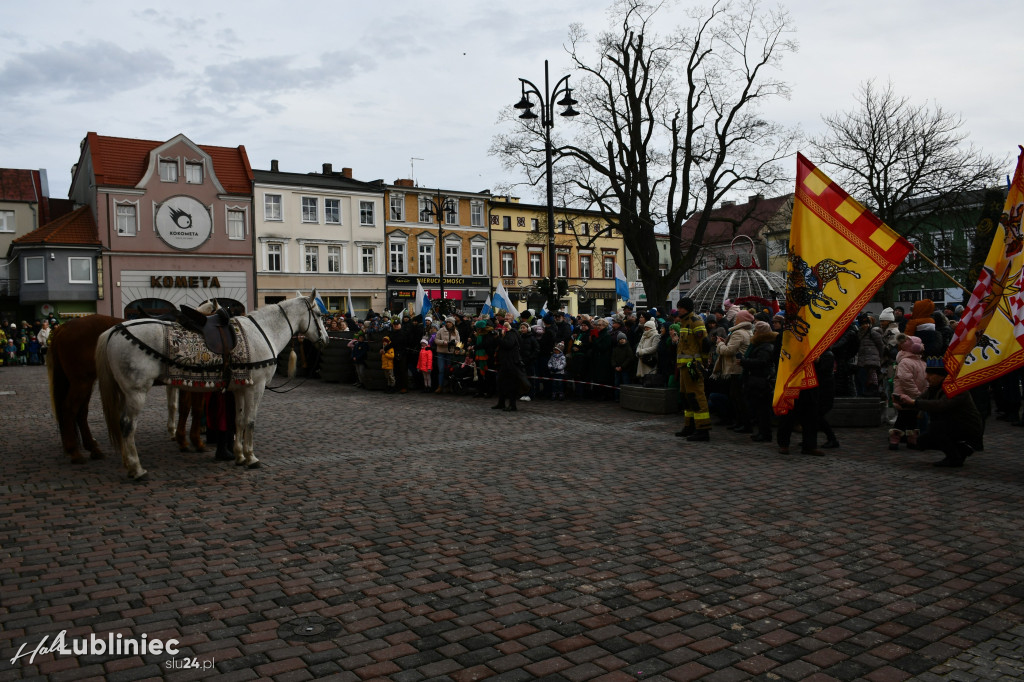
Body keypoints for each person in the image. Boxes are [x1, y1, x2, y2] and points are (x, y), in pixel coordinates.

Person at [893, 359, 984, 467]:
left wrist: (913, 402)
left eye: (931, 374)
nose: (927, 377)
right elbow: (920, 401)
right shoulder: (934, 387)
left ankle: (955, 457)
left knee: (936, 430)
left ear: (941, 376)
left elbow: (940, 405)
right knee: (922, 441)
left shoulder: (956, 387)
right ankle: (961, 450)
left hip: (967, 426)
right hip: (950, 424)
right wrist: (904, 403)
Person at [675, 297, 711, 441]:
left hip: (692, 365)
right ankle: (689, 426)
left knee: (696, 396)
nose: (679, 310)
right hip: (684, 366)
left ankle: (703, 429)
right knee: (686, 396)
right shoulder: (684, 322)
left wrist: (703, 361)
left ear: (687, 308)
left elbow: (705, 343)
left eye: (681, 307)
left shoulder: (696, 321)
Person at [715, 309, 754, 432]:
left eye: (737, 318)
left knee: (738, 398)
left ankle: (744, 423)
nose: (735, 320)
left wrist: (719, 344)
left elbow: (729, 351)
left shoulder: (738, 333)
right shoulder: (747, 332)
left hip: (735, 368)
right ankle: (740, 422)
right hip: (739, 369)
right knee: (736, 397)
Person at [741, 320, 777, 443]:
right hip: (758, 380)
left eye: (755, 330)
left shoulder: (765, 346)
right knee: (760, 409)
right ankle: (762, 432)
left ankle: (765, 434)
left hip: (761, 381)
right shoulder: (762, 344)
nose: (754, 332)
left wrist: (744, 362)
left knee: (763, 410)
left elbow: (762, 362)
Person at [889, 335, 926, 450]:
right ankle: (895, 440)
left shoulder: (920, 361)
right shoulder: (905, 361)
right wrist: (917, 393)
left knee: (912, 418)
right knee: (903, 417)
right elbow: (906, 380)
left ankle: (911, 440)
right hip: (905, 395)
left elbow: (925, 379)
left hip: (915, 395)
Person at [493, 323, 523, 411]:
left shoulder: (511, 334)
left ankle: (512, 405)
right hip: (503, 363)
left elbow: (508, 345)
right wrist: (496, 338)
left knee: (511, 385)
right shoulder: (503, 336)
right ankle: (501, 403)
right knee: (500, 384)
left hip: (511, 363)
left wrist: (499, 338)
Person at [434, 317, 460, 393]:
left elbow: (458, 342)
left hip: (450, 353)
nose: (448, 323)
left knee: (449, 371)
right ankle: (440, 386)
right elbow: (436, 340)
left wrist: (454, 342)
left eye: (450, 322)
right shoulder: (441, 330)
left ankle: (449, 386)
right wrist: (443, 342)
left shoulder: (456, 332)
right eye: (447, 322)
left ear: (453, 324)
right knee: (441, 370)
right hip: (441, 352)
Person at [634, 319, 660, 383]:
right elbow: (640, 345)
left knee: (649, 378)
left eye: (647, 327)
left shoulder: (656, 335)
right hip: (642, 358)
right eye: (645, 327)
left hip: (649, 359)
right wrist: (638, 352)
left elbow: (654, 348)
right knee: (642, 378)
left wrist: (642, 351)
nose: (645, 329)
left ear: (651, 327)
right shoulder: (644, 335)